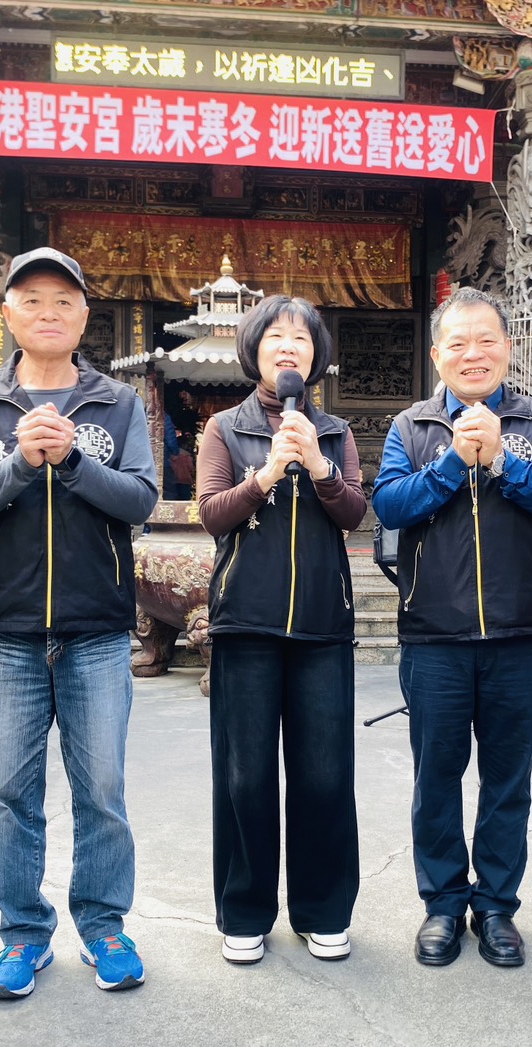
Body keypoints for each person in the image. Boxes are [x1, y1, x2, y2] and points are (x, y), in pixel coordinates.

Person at [0, 247, 158, 999]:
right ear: (7, 313)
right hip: (5, 631)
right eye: (31, 299)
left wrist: (72, 464)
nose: (48, 312)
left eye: (64, 300)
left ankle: (103, 926)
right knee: (10, 793)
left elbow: (140, 500)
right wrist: (21, 464)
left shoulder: (116, 402)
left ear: (84, 316)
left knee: (102, 790)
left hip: (96, 629)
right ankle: (23, 935)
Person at [374, 287, 532, 969]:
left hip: (518, 636)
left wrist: (501, 461)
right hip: (433, 636)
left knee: (507, 782)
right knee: (436, 779)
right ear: (437, 355)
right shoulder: (411, 427)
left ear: (507, 349)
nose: (473, 354)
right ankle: (441, 904)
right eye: (457, 343)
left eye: (486, 340)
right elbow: (389, 506)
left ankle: (495, 907)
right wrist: (452, 463)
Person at [196, 295, 366, 964]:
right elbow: (211, 514)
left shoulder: (336, 432)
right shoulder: (224, 428)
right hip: (246, 623)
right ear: (254, 350)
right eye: (275, 336)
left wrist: (319, 467)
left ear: (315, 356)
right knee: (245, 778)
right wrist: (267, 472)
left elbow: (354, 514)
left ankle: (323, 910)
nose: (288, 346)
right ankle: (244, 912)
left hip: (322, 626)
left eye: (301, 337)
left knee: (325, 776)